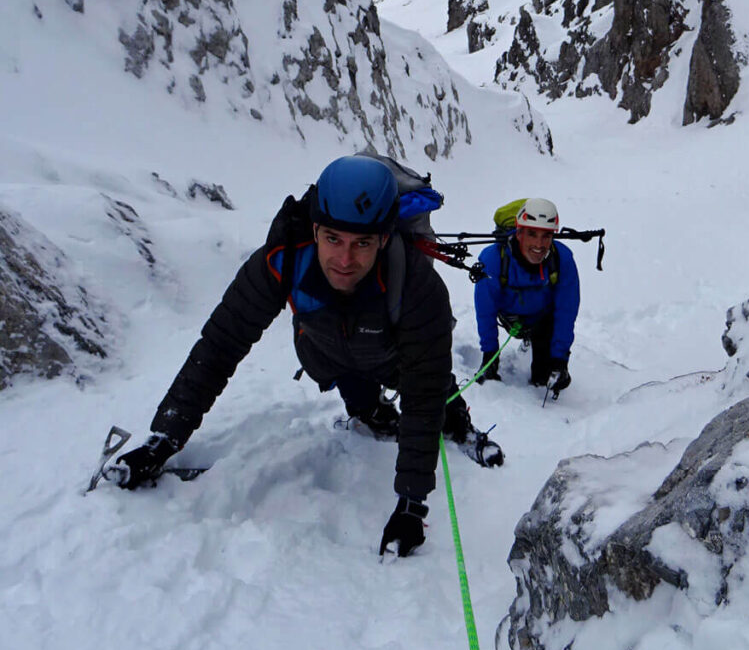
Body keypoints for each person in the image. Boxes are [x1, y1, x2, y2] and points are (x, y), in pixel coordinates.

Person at [113, 155, 499, 557]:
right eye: (333, 238)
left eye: (361, 243)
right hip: (327, 353)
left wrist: (411, 504)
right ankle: (371, 412)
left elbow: (423, 387)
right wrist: (163, 439)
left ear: (384, 239)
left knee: (435, 396)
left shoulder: (418, 286)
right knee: (361, 398)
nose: (344, 260)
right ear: (315, 230)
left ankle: (456, 420)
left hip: (393, 356)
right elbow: (220, 345)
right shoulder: (282, 260)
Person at [473, 198, 580, 396]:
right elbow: (485, 310)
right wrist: (489, 357)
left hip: (543, 320)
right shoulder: (493, 259)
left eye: (546, 236)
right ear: (519, 232)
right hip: (508, 316)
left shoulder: (562, 260)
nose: (539, 244)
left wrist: (560, 360)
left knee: (543, 380)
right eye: (532, 234)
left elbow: (566, 312)